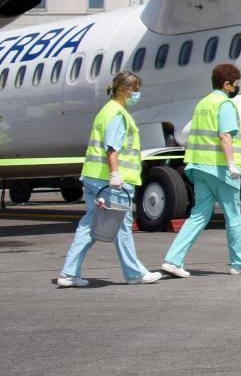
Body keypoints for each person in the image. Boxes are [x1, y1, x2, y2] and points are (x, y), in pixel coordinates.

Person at [56, 72, 163, 287]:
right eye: (135, 90)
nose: (137, 94)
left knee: (90, 225)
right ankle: (134, 274)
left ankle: (69, 272)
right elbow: (112, 147)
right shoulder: (117, 114)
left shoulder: (106, 111)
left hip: (95, 178)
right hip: (111, 182)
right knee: (122, 227)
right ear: (124, 91)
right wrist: (115, 175)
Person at [160, 63, 241, 277]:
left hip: (199, 166)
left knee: (198, 216)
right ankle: (239, 263)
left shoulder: (203, 104)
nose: (236, 88)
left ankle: (173, 260)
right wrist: (232, 164)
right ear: (226, 84)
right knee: (233, 216)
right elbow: (225, 136)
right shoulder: (225, 105)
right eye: (235, 85)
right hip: (221, 169)